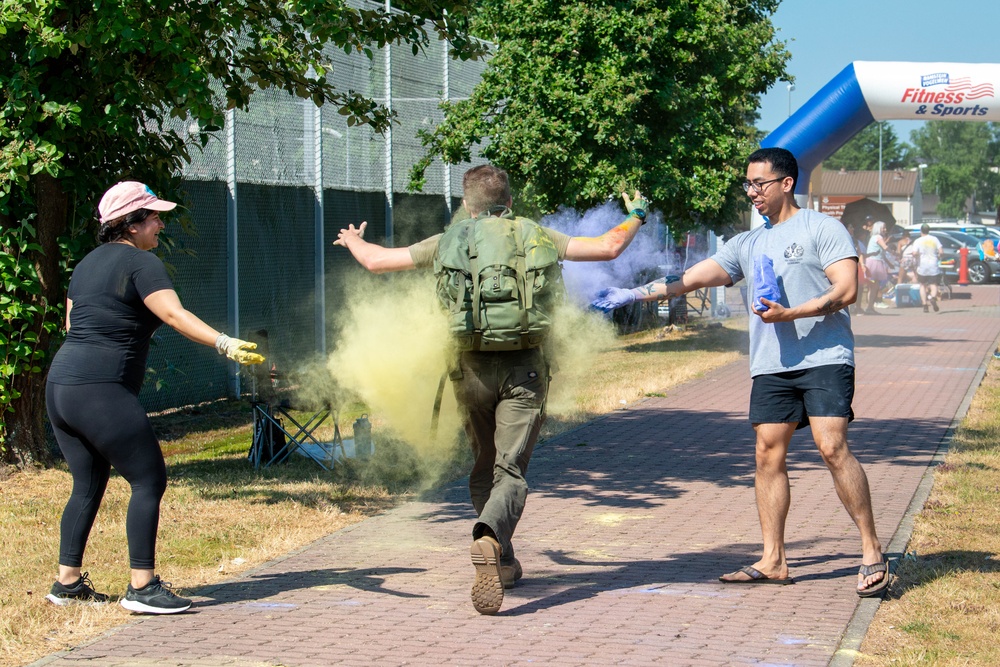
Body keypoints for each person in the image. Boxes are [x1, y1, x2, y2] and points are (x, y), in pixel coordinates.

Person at [334, 164, 647, 615]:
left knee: (484, 465)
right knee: (510, 471)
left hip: (469, 372)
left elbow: (377, 261)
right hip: (525, 371)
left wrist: (354, 240)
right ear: (509, 202)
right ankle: (488, 535)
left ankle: (502, 560)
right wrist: (635, 212)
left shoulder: (449, 241)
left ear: (466, 203)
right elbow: (609, 246)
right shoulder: (536, 234)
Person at [591, 147, 888, 597]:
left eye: (759, 184)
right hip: (772, 363)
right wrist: (633, 294)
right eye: (747, 184)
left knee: (831, 448)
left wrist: (792, 313)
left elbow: (846, 289)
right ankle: (774, 560)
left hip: (824, 356)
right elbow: (689, 279)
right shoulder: (747, 244)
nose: (751, 192)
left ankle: (870, 551)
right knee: (767, 455)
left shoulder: (821, 228)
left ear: (786, 183)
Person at [46, 181, 265, 614]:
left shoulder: (86, 264)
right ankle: (142, 588)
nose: (160, 224)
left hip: (62, 385)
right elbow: (172, 313)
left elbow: (73, 324)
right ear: (131, 224)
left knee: (87, 484)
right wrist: (223, 343)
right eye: (153, 217)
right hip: (101, 388)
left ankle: (67, 583)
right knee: (149, 479)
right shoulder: (141, 263)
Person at [906, 223, 944, 313]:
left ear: (921, 231)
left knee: (922, 285)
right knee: (933, 284)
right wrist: (938, 256)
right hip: (933, 265)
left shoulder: (918, 241)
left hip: (922, 266)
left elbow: (914, 253)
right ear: (928, 230)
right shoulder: (935, 239)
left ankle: (925, 305)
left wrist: (918, 255)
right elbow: (941, 252)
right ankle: (933, 297)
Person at [863, 221, 891, 314]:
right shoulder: (878, 237)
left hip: (873, 262)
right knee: (874, 286)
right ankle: (870, 307)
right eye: (883, 228)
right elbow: (885, 247)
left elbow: (881, 252)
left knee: (872, 287)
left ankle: (870, 307)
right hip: (875, 263)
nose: (885, 230)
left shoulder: (873, 238)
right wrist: (894, 253)